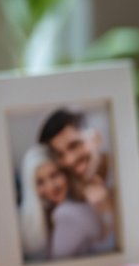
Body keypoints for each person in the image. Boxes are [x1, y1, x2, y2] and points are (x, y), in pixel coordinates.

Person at [37, 108, 117, 254]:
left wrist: (106, 209)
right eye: (60, 155)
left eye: (74, 145)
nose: (69, 160)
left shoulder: (119, 175)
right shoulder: (69, 193)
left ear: (96, 137)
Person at [18, 145, 113, 261]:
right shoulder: (62, 210)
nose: (51, 187)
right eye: (40, 182)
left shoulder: (65, 213)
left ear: (66, 174)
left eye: (54, 175)